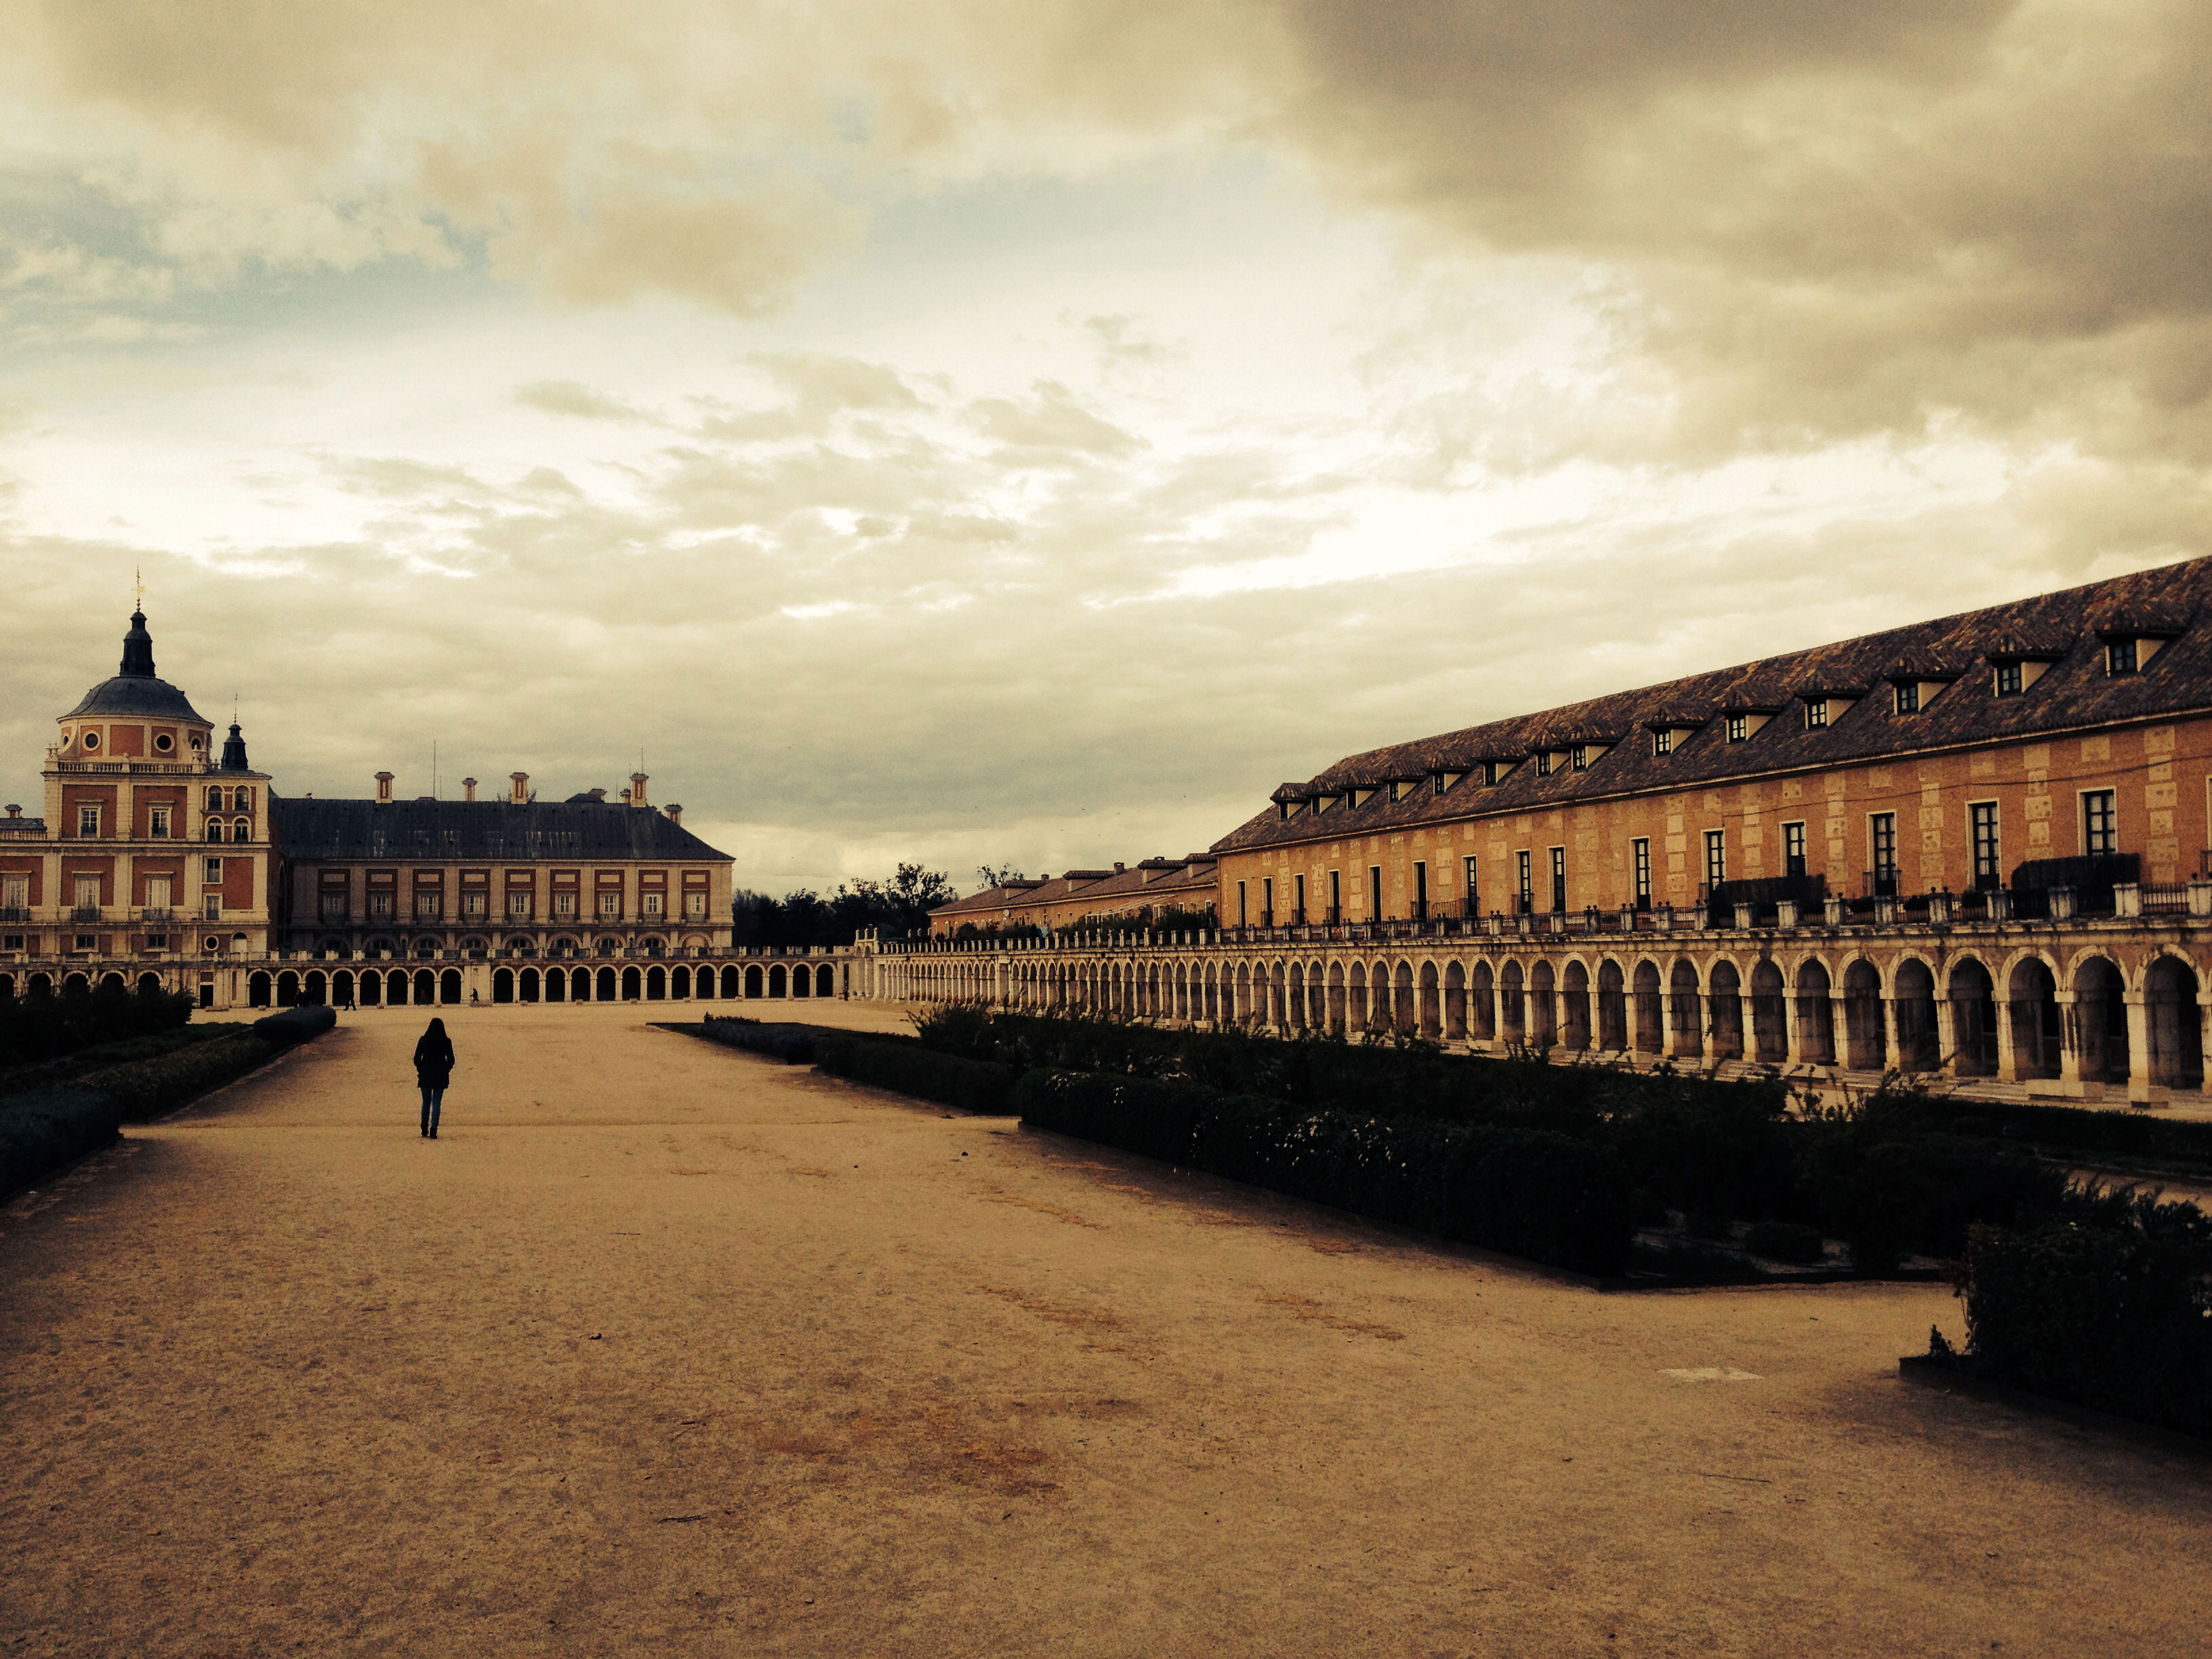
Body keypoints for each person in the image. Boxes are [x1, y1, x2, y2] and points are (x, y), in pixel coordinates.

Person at [414, 1017, 454, 1139]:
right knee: (436, 1103)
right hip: (440, 1075)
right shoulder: (446, 1041)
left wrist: (421, 1068)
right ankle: (434, 1129)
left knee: (426, 1102)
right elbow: (451, 1060)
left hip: (426, 1074)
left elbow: (416, 1059)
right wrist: (445, 1069)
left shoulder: (423, 1040)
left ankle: (424, 1127)